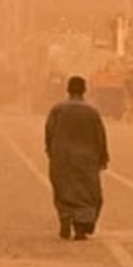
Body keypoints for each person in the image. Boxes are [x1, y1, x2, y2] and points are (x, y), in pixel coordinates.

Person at [45, 75, 110, 241]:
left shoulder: (57, 109)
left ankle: (65, 218)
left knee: (63, 189)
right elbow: (100, 137)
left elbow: (49, 133)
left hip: (62, 157)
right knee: (88, 192)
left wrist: (52, 153)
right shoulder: (92, 112)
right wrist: (103, 156)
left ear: (67, 90)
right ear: (84, 90)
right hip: (86, 159)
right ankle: (82, 225)